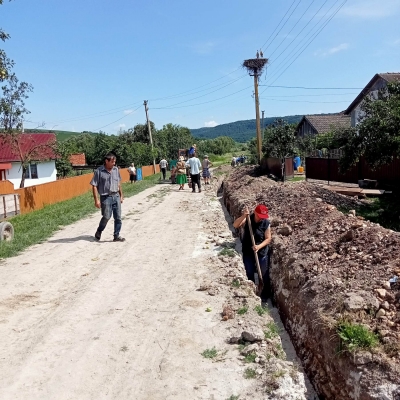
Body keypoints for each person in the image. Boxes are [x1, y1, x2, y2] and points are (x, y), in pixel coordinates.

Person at [233, 204, 272, 300]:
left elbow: (268, 239)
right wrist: (243, 216)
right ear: (255, 212)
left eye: (263, 216)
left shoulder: (266, 223)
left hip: (261, 251)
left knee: (263, 273)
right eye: (260, 216)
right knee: (249, 271)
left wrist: (259, 246)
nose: (261, 218)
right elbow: (235, 225)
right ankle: (251, 292)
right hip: (248, 251)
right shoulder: (248, 219)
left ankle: (264, 293)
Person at [91, 153, 125, 242]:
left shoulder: (116, 170)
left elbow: (118, 183)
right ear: (106, 161)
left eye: (115, 162)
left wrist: (121, 195)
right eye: (112, 162)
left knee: (118, 217)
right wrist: (96, 200)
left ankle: (116, 235)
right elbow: (94, 185)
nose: (114, 163)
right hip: (105, 197)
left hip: (116, 196)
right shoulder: (99, 171)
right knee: (106, 216)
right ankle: (99, 231)